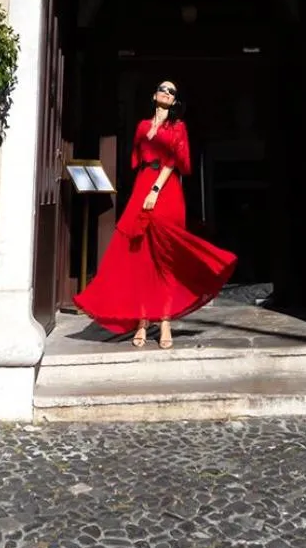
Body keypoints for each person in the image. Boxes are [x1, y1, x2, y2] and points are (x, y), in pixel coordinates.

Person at [74, 81, 236, 348]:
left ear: (174, 102)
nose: (167, 92)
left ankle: (165, 322)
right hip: (142, 185)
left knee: (165, 259)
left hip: (166, 189)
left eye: (172, 92)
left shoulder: (178, 127)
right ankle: (141, 320)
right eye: (163, 88)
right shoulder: (141, 126)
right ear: (154, 95)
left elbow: (174, 161)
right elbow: (137, 159)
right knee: (140, 257)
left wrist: (155, 189)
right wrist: (145, 188)